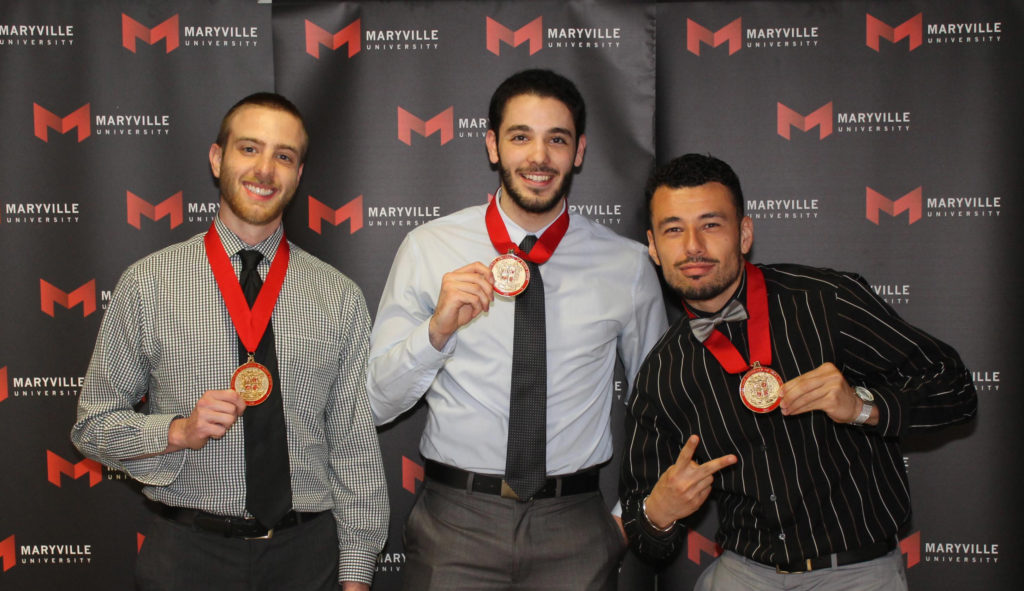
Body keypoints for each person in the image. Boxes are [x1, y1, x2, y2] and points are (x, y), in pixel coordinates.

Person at [71, 92, 388, 591]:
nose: (265, 169)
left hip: (308, 558)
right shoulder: (149, 283)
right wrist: (178, 432)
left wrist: (356, 576)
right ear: (217, 158)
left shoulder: (338, 296)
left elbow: (353, 447)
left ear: (298, 174)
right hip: (187, 556)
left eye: (283, 156)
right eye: (249, 149)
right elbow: (92, 428)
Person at [367, 69, 668, 590]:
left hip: (575, 524)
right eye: (520, 136)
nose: (539, 157)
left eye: (557, 139)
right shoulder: (428, 247)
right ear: (492, 146)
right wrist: (435, 333)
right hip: (455, 523)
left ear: (579, 152)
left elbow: (661, 403)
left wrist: (624, 518)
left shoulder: (628, 264)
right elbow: (373, 403)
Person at [620, 153, 978, 590]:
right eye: (674, 229)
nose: (693, 245)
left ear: (745, 233)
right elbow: (645, 534)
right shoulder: (662, 371)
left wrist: (863, 407)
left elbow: (956, 389)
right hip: (742, 572)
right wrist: (659, 513)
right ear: (654, 247)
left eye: (711, 224)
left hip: (855, 573)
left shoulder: (826, 300)